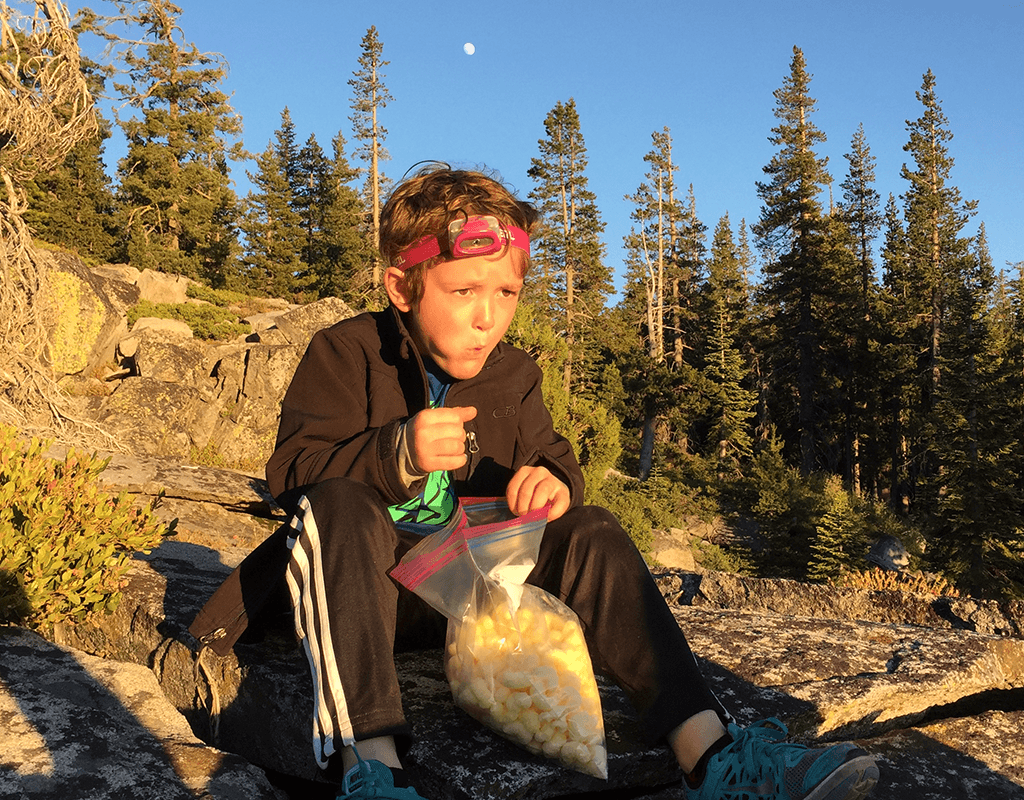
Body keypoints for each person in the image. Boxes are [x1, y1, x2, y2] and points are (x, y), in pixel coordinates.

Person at [190, 165, 880, 800]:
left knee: (594, 530)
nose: (487, 316)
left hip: (466, 603)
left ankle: (718, 759)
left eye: (506, 293)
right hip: (357, 596)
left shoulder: (513, 375)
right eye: (463, 292)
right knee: (338, 505)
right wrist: (393, 452)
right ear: (403, 286)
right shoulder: (345, 353)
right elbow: (292, 476)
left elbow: (556, 459)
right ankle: (371, 770)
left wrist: (552, 483)